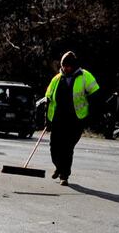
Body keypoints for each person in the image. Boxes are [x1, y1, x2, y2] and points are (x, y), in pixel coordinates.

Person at [42, 50, 99, 185]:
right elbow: (48, 99)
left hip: (76, 119)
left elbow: (96, 96)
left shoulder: (85, 76)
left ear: (74, 65)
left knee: (67, 148)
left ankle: (64, 175)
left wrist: (92, 115)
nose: (65, 68)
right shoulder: (56, 79)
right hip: (57, 119)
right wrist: (47, 120)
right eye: (63, 66)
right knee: (54, 147)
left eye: (68, 66)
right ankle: (59, 166)